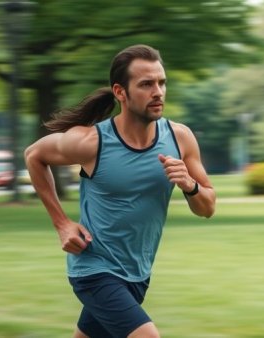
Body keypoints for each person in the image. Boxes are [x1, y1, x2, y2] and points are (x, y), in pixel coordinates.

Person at [24, 44, 216, 338]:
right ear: (120, 92)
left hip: (137, 273)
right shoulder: (91, 142)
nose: (158, 92)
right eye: (146, 84)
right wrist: (61, 222)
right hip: (94, 268)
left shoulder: (180, 138)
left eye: (162, 82)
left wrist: (189, 185)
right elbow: (34, 155)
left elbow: (208, 208)